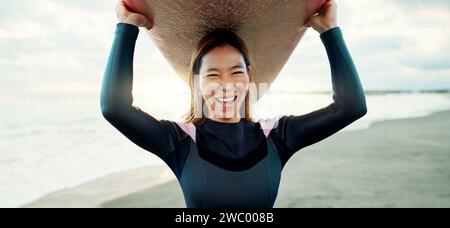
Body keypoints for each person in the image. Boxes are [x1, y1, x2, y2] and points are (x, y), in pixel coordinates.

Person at [101, 0, 367, 208]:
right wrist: (127, 27)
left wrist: (330, 32)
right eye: (213, 75)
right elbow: (115, 107)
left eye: (236, 72)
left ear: (249, 77)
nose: (226, 84)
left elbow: (351, 107)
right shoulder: (179, 140)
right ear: (197, 83)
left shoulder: (277, 135)